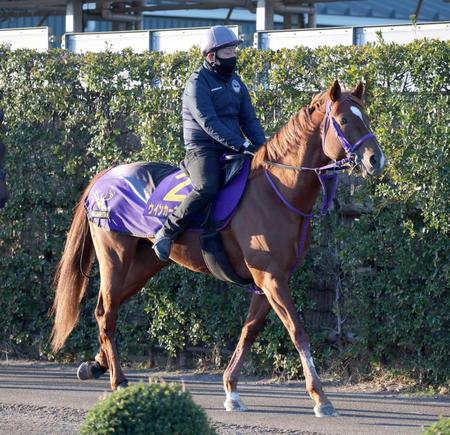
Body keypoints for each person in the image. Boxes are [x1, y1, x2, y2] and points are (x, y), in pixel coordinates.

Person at [152, 25, 266, 262]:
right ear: (211, 56)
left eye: (234, 51)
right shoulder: (197, 83)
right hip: (202, 148)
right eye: (227, 52)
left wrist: (264, 147)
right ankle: (167, 231)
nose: (233, 56)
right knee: (207, 186)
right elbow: (208, 122)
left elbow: (249, 119)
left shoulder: (236, 83)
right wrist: (242, 145)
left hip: (232, 146)